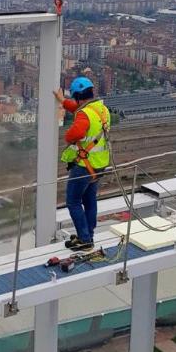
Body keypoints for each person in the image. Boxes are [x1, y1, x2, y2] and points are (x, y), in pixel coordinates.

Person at [54, 77, 110, 251]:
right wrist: (63, 101)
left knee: (73, 201)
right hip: (99, 165)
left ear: (78, 95)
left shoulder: (85, 115)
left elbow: (73, 135)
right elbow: (79, 110)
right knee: (89, 200)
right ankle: (88, 235)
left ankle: (85, 240)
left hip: (84, 166)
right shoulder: (101, 109)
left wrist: (69, 133)